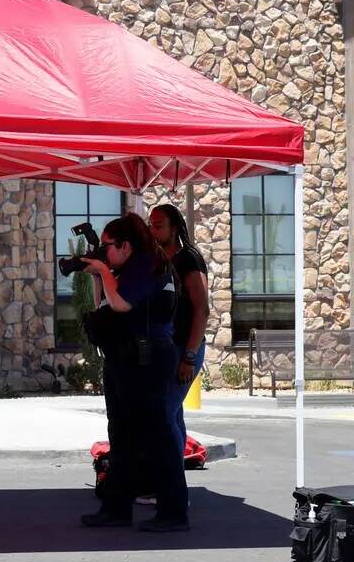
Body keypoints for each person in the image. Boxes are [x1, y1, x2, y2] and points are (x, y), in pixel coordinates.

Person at [80, 213, 189, 532]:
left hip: (147, 359)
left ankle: (173, 512)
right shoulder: (128, 268)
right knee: (122, 436)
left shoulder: (147, 265)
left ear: (126, 245)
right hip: (124, 358)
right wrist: (100, 275)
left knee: (156, 435)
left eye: (108, 246)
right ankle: (116, 507)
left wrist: (102, 270)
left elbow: (122, 304)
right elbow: (105, 305)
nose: (104, 251)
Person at [150, 203, 210, 446]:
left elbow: (202, 309)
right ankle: (174, 473)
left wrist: (189, 357)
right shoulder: (158, 259)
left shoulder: (188, 259)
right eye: (150, 225)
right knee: (172, 412)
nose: (152, 231)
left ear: (173, 229)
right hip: (164, 348)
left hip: (183, 348)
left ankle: (171, 476)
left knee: (163, 414)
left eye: (158, 226)